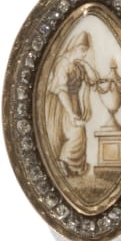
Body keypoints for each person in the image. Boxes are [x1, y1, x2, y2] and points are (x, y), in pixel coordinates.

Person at [46, 30, 98, 177]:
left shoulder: (78, 65)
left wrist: (86, 64)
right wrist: (71, 113)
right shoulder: (63, 63)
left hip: (74, 103)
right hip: (61, 104)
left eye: (86, 51)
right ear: (73, 47)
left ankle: (69, 169)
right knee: (76, 133)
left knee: (79, 134)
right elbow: (61, 91)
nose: (83, 54)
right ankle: (62, 163)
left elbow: (93, 80)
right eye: (81, 50)